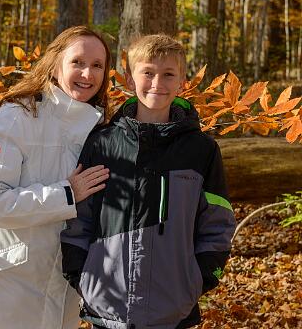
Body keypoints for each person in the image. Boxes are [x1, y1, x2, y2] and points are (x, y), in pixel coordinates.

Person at [61, 34, 237, 329]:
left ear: (182, 81)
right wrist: (82, 275)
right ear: (130, 79)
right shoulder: (103, 143)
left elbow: (217, 222)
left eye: (168, 74)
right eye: (148, 73)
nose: (157, 83)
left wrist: (200, 278)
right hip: (106, 303)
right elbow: (80, 217)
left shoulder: (200, 150)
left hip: (173, 307)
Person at [0, 26, 112, 329]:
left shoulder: (100, 131)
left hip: (61, 297)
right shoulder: (14, 117)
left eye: (97, 65)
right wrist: (66, 194)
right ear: (55, 64)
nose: (87, 73)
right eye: (77, 62)